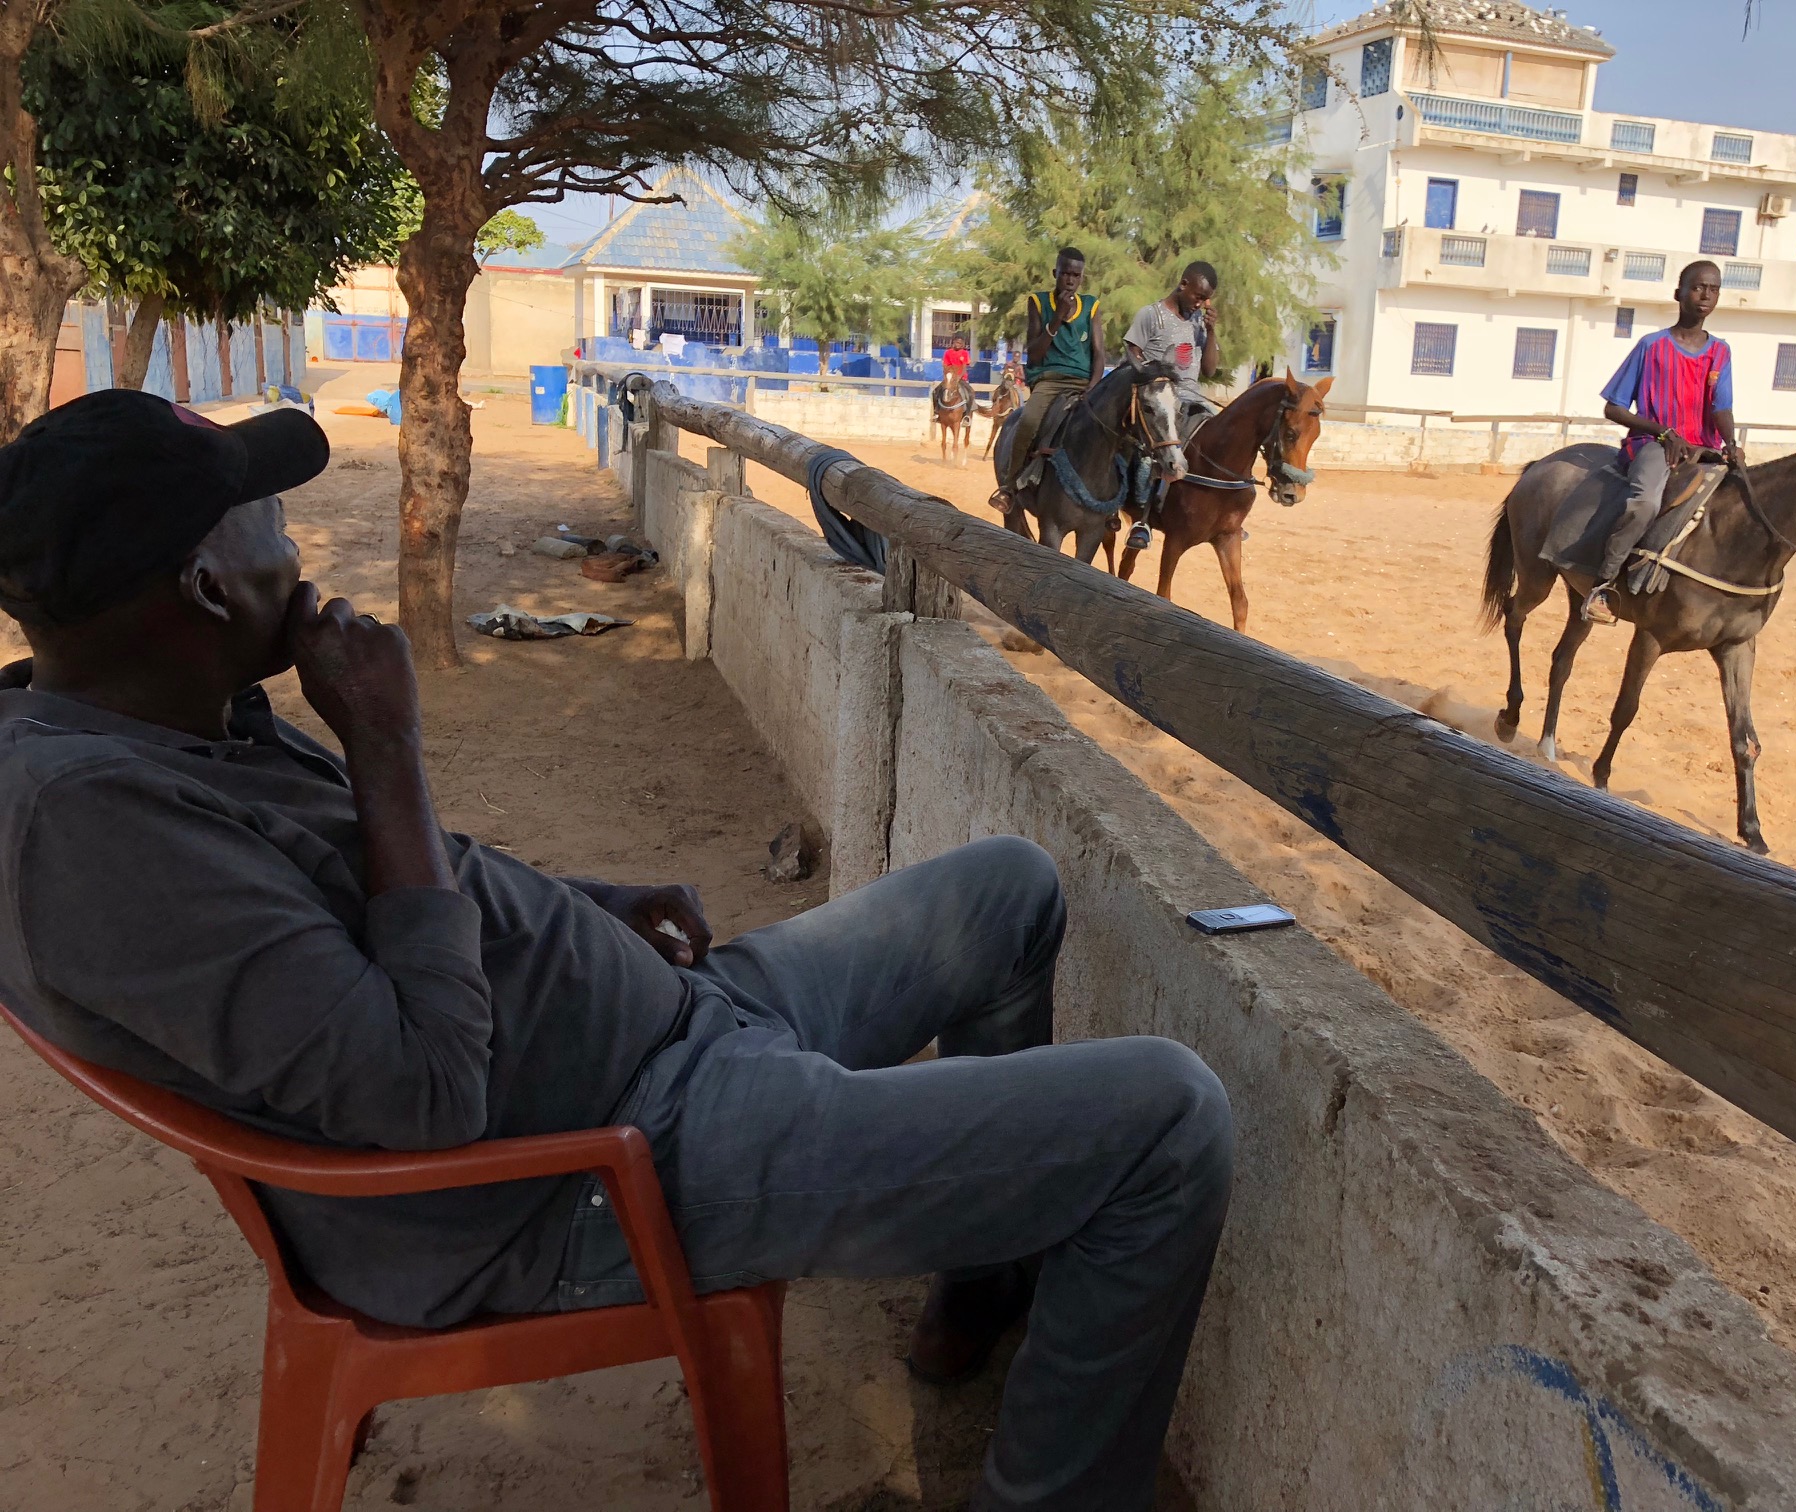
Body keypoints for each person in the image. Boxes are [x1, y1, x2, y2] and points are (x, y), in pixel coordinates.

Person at [0, 390, 1235, 1512]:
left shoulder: (173, 720)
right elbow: (422, 1093)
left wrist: (589, 909)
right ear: (208, 589)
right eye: (270, 522)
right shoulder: (97, 841)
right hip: (605, 1166)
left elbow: (392, 899)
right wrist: (385, 745)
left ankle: (980, 1277)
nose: (299, 547)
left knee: (1006, 892)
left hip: (672, 1029)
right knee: (1169, 1121)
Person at [1587, 260, 1746, 624]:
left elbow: (1721, 407)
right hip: (1653, 445)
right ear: (1679, 294)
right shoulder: (1651, 346)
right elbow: (1614, 408)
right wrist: (1661, 431)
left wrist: (1732, 442)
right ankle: (1604, 585)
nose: (1706, 295)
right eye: (1697, 287)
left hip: (1702, 449)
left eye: (1714, 288)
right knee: (1644, 504)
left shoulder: (1720, 352)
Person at [996, 247, 1104, 511]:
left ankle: (1112, 501)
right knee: (1028, 421)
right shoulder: (1038, 302)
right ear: (1055, 273)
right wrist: (1056, 320)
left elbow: (1099, 352)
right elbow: (1034, 354)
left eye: (1075, 275)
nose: (1070, 280)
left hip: (1083, 382)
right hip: (1049, 381)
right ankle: (1008, 486)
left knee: (1114, 427)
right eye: (1065, 273)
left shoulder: (1091, 306)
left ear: (1081, 278)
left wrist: (1094, 384)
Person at [1123, 262, 1221, 551]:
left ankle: (1224, 511)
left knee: (1223, 437)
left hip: (1194, 400)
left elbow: (1211, 370)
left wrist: (1212, 331)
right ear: (1183, 284)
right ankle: (1142, 519)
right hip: (1161, 399)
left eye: (1206, 299)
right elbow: (1131, 350)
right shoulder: (1151, 316)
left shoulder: (1197, 324)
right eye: (1199, 296)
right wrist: (1146, 374)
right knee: (1150, 455)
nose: (1202, 303)